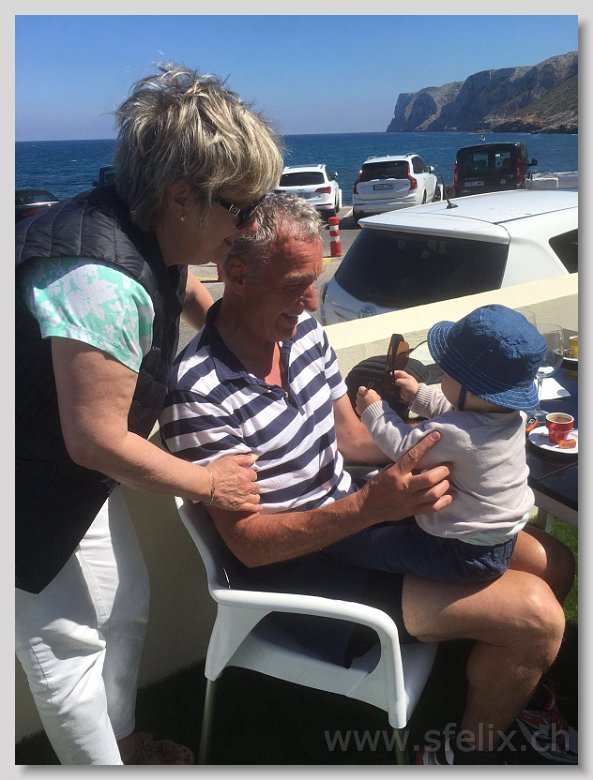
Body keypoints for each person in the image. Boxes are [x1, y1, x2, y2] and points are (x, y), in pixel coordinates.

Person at [160, 193, 576, 765]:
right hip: (300, 574)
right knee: (536, 615)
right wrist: (373, 507)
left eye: (315, 281)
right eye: (296, 285)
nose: (312, 301)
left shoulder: (301, 333)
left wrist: (444, 452)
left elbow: (352, 438)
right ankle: (469, 756)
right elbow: (250, 546)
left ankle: (511, 690)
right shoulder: (197, 392)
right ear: (236, 274)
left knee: (554, 561)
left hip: (361, 524)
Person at [15, 63, 283, 765]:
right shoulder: (98, 282)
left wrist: (231, 328)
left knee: (126, 599)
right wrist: (211, 484)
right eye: (241, 207)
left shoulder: (148, 224)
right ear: (180, 198)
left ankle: (126, 745)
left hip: (53, 462)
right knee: (66, 648)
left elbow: (177, 280)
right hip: (25, 481)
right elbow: (95, 440)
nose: (251, 225)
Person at [349, 305, 546, 584]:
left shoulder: (456, 434)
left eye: (446, 373)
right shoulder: (512, 418)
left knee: (362, 545)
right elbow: (460, 412)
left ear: (471, 389)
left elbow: (404, 448)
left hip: (458, 550)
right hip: (495, 539)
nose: (441, 375)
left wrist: (374, 411)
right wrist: (418, 394)